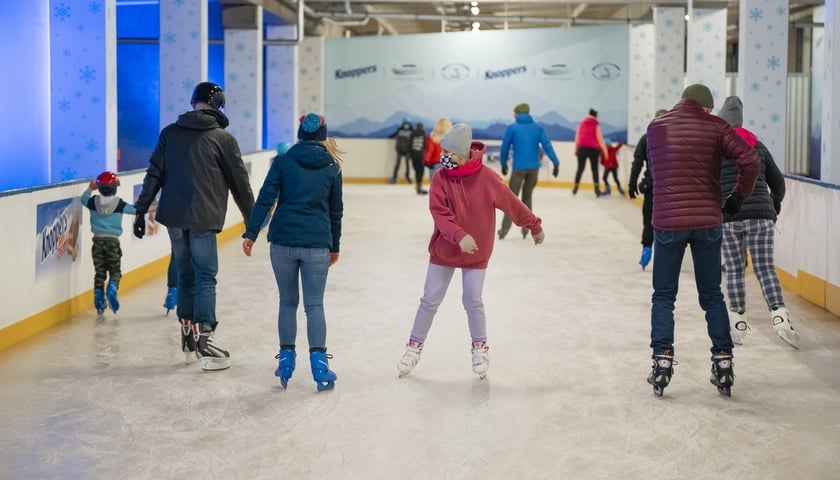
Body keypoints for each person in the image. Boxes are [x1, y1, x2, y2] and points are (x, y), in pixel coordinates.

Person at [396, 124, 546, 379]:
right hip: (445, 248)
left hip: (476, 251)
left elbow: (512, 203)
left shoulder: (487, 178)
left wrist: (534, 225)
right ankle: (414, 346)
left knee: (472, 300)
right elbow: (440, 215)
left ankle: (480, 347)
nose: (444, 156)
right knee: (429, 299)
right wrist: (458, 235)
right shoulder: (440, 177)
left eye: (449, 152)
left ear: (463, 155)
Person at [645, 84, 760, 397]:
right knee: (712, 294)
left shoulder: (656, 127)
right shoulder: (717, 126)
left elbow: (656, 174)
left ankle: (662, 360)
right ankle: (723, 360)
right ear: (707, 107)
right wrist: (737, 197)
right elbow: (751, 161)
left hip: (668, 222)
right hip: (708, 220)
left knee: (664, 295)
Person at [133, 81, 255, 371]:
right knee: (205, 276)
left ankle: (187, 330)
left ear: (193, 104)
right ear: (219, 107)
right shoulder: (224, 139)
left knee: (185, 274)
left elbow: (154, 175)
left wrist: (140, 211)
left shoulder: (169, 134)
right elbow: (241, 185)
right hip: (204, 217)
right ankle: (205, 338)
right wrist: (253, 221)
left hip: (174, 218)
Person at [242, 113, 343, 392]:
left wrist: (251, 233)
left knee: (288, 302)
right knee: (314, 306)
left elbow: (265, 197)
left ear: (300, 133)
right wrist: (335, 245)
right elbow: (336, 211)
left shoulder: (284, 161)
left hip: (283, 242)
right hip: (317, 243)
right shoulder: (332, 165)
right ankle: (319, 364)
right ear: (323, 135)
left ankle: (286, 360)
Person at [716, 96, 798, 349]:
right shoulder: (757, 145)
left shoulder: (715, 148)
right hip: (761, 216)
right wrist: (774, 203)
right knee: (764, 269)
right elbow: (779, 183)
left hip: (729, 217)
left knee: (734, 269)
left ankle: (738, 322)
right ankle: (780, 317)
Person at [497, 103, 560, 239]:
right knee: (527, 198)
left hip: (518, 168)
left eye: (514, 112)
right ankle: (527, 229)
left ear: (518, 113)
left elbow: (505, 148)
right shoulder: (537, 128)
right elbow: (547, 145)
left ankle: (504, 230)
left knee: (511, 200)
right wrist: (555, 162)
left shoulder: (512, 128)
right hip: (533, 169)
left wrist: (503, 163)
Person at [80, 171, 138, 315]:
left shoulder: (93, 202)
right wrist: (152, 206)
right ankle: (112, 288)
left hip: (97, 242)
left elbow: (83, 199)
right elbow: (135, 210)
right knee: (115, 271)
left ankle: (99, 300)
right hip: (113, 243)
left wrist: (89, 189)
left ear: (99, 188)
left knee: (99, 273)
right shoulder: (119, 204)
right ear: (115, 188)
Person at [628, 109, 668, 270]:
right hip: (668, 187)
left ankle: (646, 248)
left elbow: (637, 163)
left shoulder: (646, 138)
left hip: (652, 187)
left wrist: (632, 184)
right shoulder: (674, 138)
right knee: (666, 223)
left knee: (649, 221)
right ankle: (663, 254)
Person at [572, 108, 609, 197]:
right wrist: (605, 151)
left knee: (580, 168)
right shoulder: (596, 124)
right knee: (594, 169)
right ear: (595, 116)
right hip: (593, 149)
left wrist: (576, 149)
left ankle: (575, 186)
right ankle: (597, 189)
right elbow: (600, 139)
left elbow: (577, 137)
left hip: (582, 148)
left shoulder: (581, 123)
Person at [389, 117, 414, 184]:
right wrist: (389, 137)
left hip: (407, 151)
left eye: (407, 123)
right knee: (397, 164)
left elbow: (413, 139)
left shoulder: (411, 131)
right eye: (405, 123)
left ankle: (407, 177)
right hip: (399, 150)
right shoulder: (399, 130)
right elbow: (394, 135)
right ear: (403, 123)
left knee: (407, 165)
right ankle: (394, 177)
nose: (406, 125)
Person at [409, 121, 428, 194]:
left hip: (414, 155)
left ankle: (418, 186)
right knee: (421, 170)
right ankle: (419, 186)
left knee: (416, 170)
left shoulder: (412, 133)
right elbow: (425, 145)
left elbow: (409, 144)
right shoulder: (423, 133)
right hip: (421, 155)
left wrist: (410, 154)